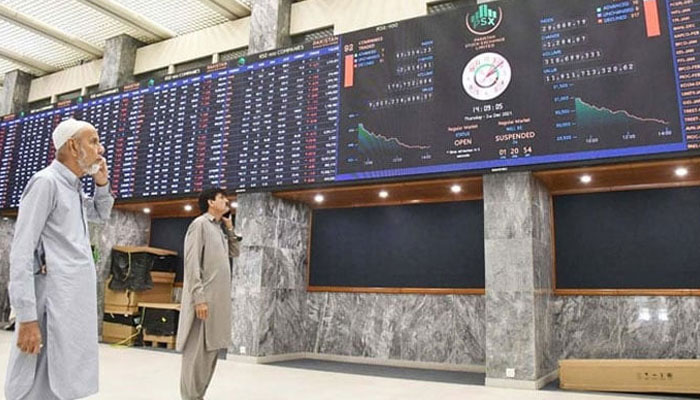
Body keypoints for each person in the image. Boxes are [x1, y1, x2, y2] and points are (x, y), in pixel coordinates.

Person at [5, 118, 113, 400]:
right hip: (49, 304)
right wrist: (27, 317)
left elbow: (101, 214)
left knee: (65, 381)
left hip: (72, 306)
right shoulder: (46, 183)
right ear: (72, 146)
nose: (100, 149)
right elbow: (21, 251)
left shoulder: (74, 189)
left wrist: (102, 184)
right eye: (93, 141)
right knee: (36, 381)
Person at [177, 187, 240, 400]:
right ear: (211, 202)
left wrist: (230, 227)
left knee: (210, 354)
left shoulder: (219, 229)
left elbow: (235, 252)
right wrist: (199, 298)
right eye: (223, 197)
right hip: (203, 303)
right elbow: (192, 264)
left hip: (217, 304)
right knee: (196, 356)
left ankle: (198, 396)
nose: (227, 201)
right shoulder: (200, 225)